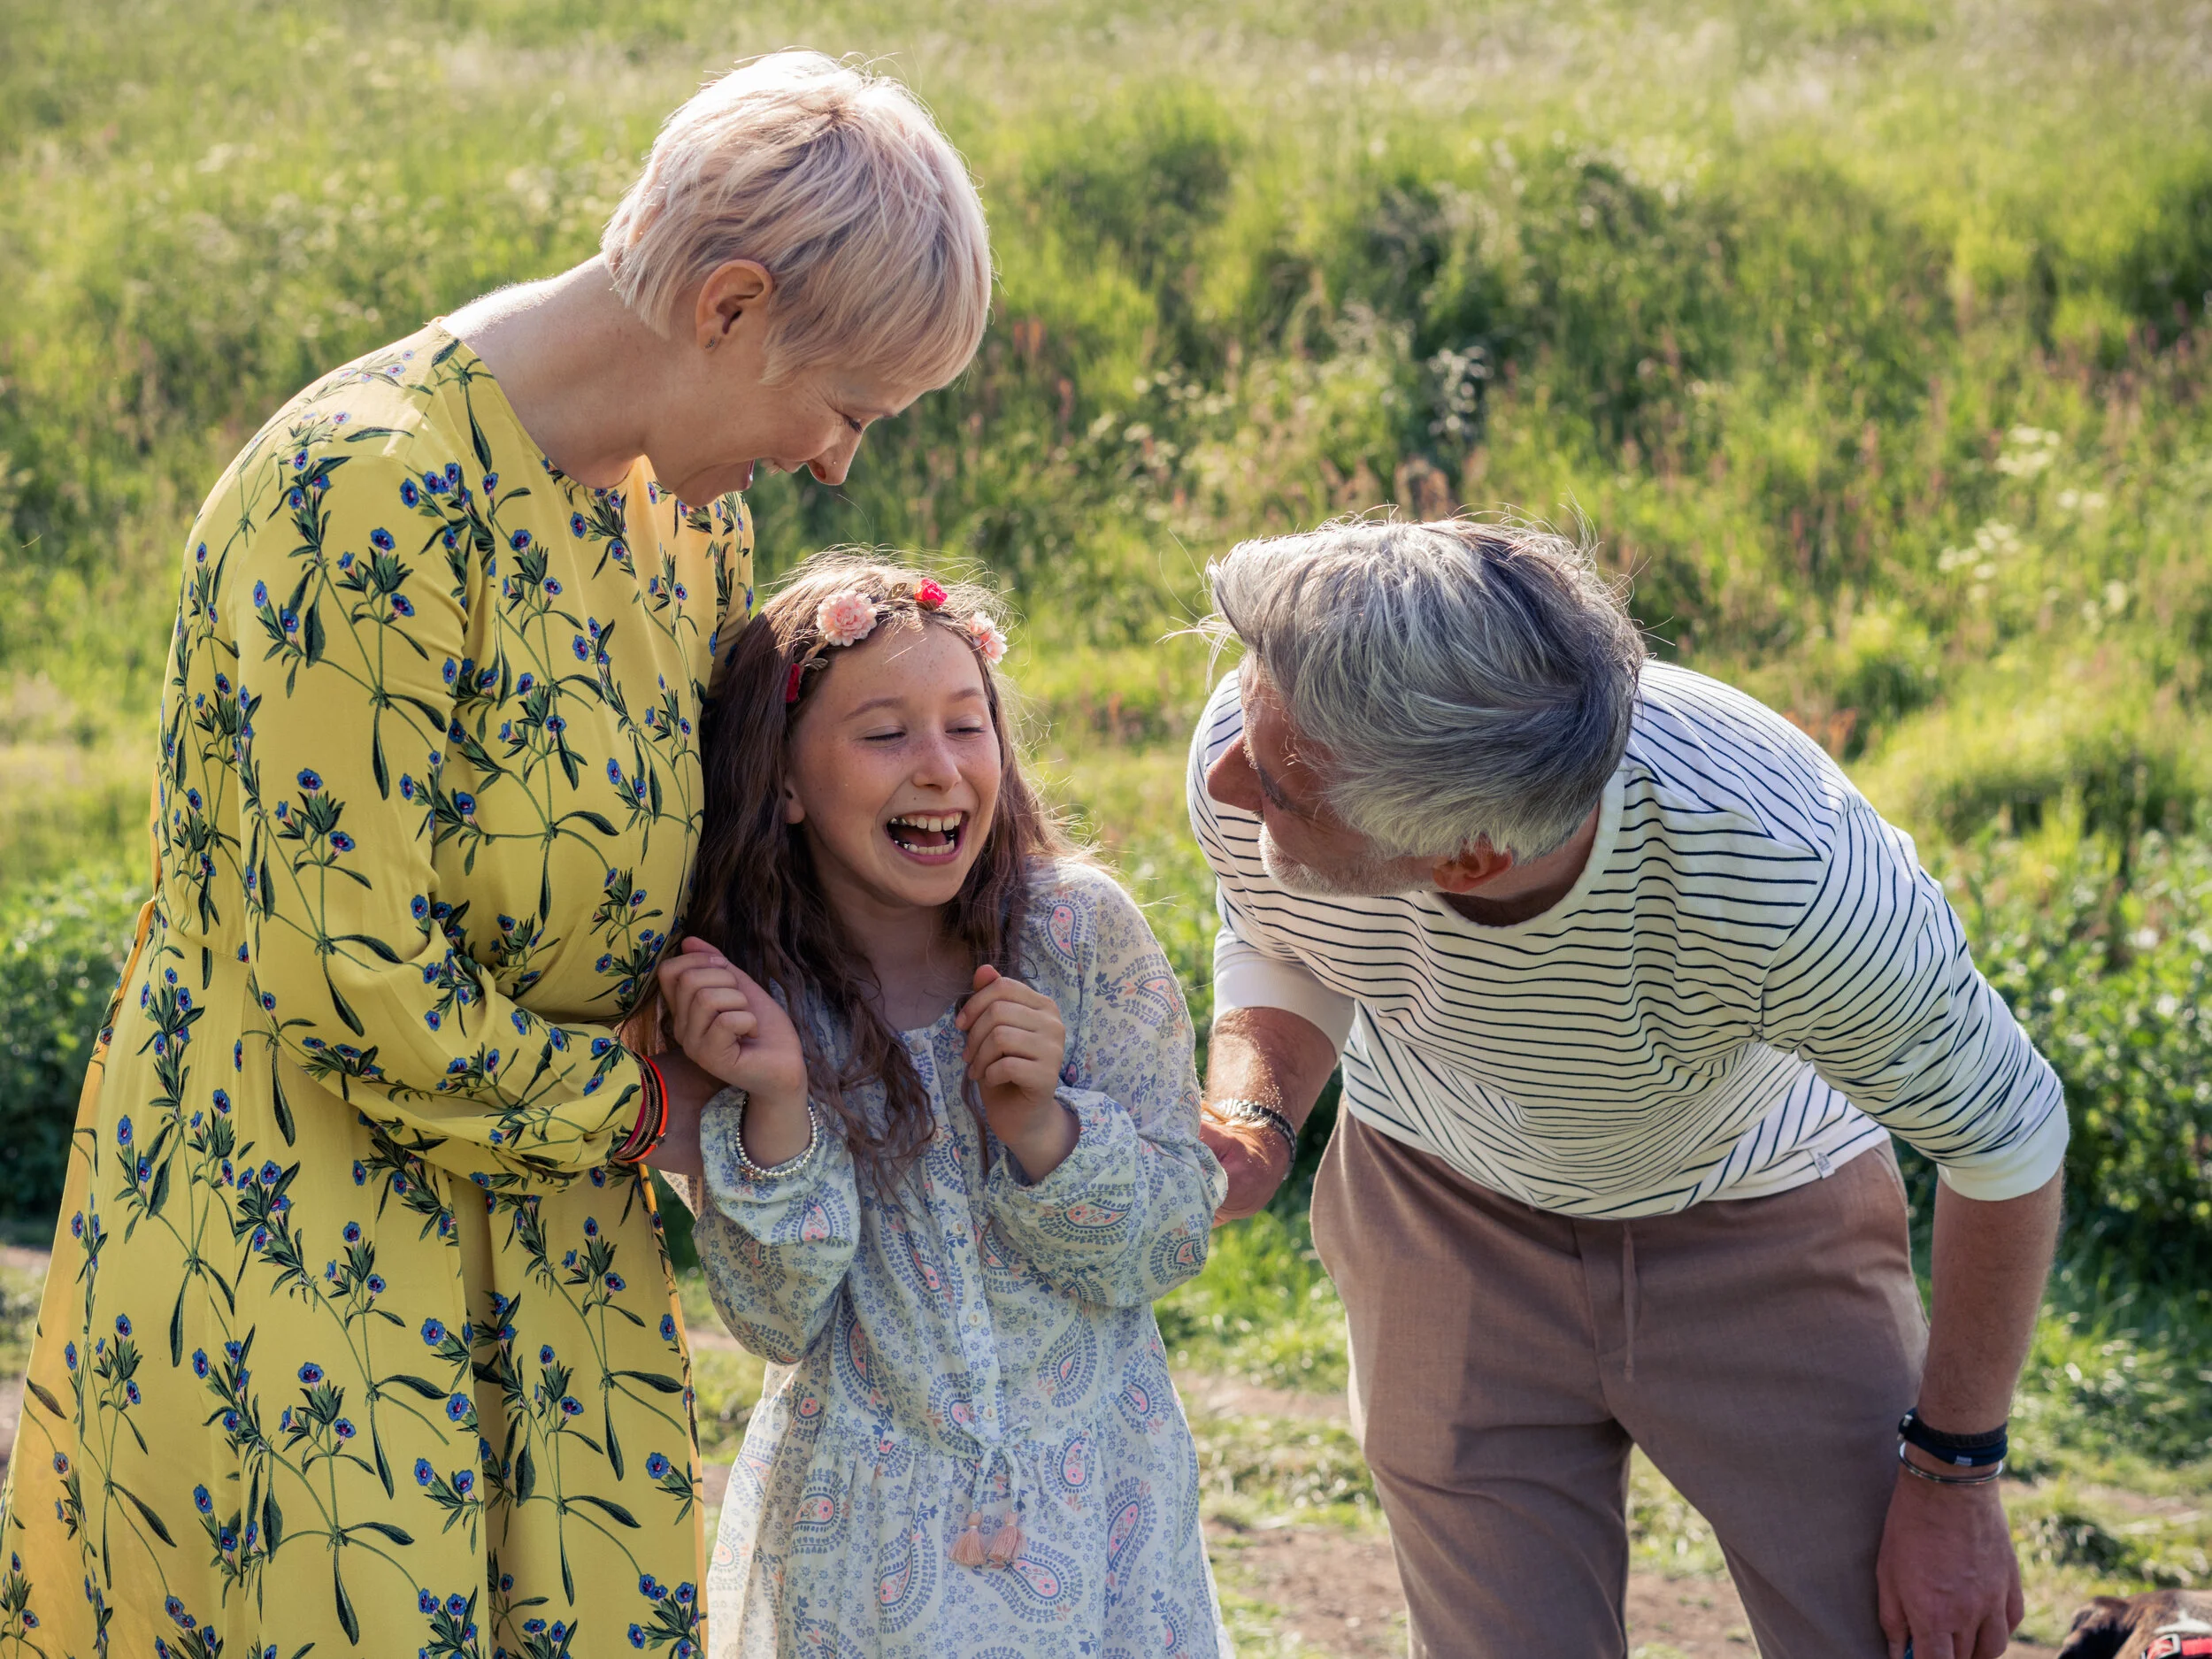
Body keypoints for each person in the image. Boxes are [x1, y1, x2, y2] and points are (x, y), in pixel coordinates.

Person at [0, 52, 989, 1655]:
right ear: (730, 306)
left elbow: (683, 874)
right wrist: (658, 1104)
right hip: (305, 1228)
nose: (837, 465)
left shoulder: (691, 519)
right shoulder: (364, 493)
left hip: (558, 1244)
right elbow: (348, 975)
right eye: (846, 406)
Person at [1187, 518, 2067, 1659]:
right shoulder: (1274, 736)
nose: (1220, 778)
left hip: (1758, 1216)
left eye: (1281, 793)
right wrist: (1255, 1116)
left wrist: (1953, 1476)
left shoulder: (1783, 874)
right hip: (1435, 1204)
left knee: (1888, 1638)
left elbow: (2007, 1146)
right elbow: (1283, 939)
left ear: (1468, 856)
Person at [656, 555, 1230, 1658]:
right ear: (781, 780)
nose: (938, 769)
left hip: (1100, 1519)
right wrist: (775, 1102)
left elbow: (1165, 1241)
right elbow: (775, 1321)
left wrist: (1039, 1132)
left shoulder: (1077, 937)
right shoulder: (758, 1002)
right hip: (861, 1550)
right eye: (883, 736)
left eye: (967, 728)